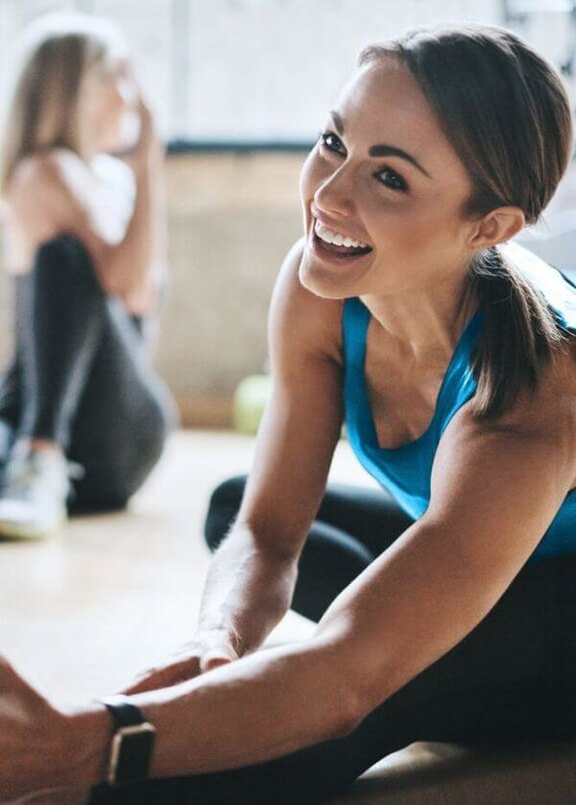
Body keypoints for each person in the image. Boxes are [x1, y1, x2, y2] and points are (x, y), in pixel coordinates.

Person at [1, 22, 576, 805]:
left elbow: (344, 671)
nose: (329, 195)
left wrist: (85, 740)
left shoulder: (533, 394)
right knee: (235, 507)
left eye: (391, 178)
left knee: (357, 690)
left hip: (563, 624)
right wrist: (219, 638)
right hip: (489, 556)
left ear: (490, 227)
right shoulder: (323, 286)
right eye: (335, 142)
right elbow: (269, 530)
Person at [0, 13, 176, 539]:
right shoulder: (44, 171)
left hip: (109, 433)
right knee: (65, 257)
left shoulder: (113, 178)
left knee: (65, 257)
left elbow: (135, 292)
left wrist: (146, 163)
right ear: (79, 87)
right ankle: (35, 463)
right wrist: (148, 157)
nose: (131, 90)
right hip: (42, 418)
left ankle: (40, 457)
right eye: (118, 73)